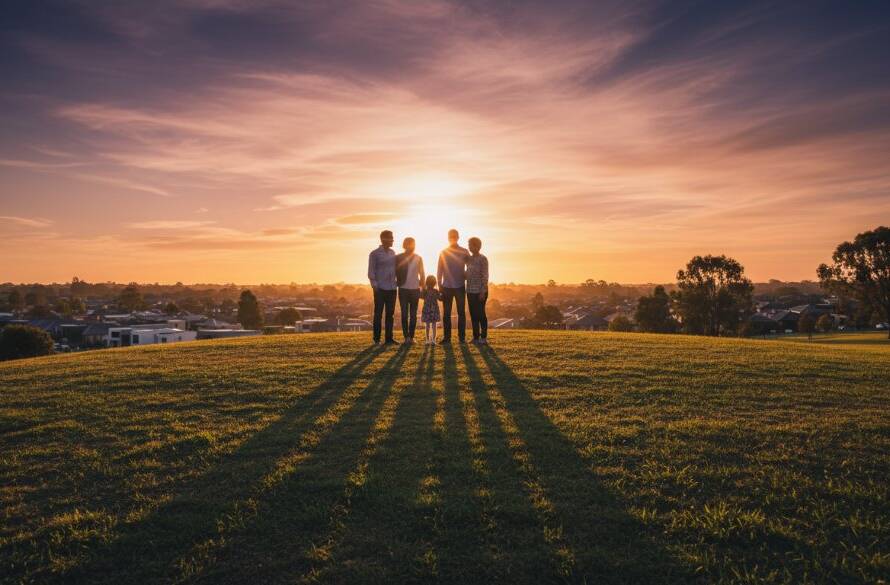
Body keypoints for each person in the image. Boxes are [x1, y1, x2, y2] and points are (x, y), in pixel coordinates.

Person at [437, 228, 469, 344]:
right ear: (448, 238)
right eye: (451, 236)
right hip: (446, 287)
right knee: (446, 314)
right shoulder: (443, 252)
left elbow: (470, 265)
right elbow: (439, 270)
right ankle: (447, 338)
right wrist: (439, 286)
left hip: (460, 286)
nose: (453, 238)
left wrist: (466, 274)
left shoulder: (464, 251)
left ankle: (461, 338)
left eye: (454, 236)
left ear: (458, 237)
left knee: (461, 313)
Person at [367, 230, 398, 345]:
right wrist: (375, 286)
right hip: (380, 288)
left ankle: (389, 338)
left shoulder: (393, 253)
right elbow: (371, 271)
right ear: (383, 239)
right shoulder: (374, 254)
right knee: (378, 314)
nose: (393, 240)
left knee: (390, 315)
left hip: (392, 288)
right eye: (391, 238)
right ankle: (377, 339)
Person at [395, 237, 424, 343]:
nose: (412, 246)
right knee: (404, 313)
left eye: (413, 244)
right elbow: (394, 272)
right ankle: (406, 337)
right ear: (405, 245)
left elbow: (422, 274)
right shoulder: (398, 257)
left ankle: (411, 337)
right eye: (410, 244)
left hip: (415, 289)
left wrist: (423, 288)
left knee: (413, 314)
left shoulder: (418, 258)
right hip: (403, 289)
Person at [466, 236, 489, 344]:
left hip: (480, 291)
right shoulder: (469, 259)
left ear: (476, 246)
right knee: (473, 315)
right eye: (469, 245)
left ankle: (483, 338)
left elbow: (485, 276)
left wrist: (482, 291)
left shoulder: (483, 259)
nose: (469, 247)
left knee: (481, 314)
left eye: (470, 245)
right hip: (470, 291)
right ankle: (475, 337)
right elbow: (468, 273)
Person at [421, 274, 441, 345]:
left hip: (426, 309)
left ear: (426, 283)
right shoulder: (436, 291)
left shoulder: (425, 291)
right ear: (434, 283)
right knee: (434, 325)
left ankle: (427, 340)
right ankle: (433, 340)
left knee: (427, 325)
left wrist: (422, 288)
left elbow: (420, 296)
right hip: (434, 309)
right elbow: (440, 298)